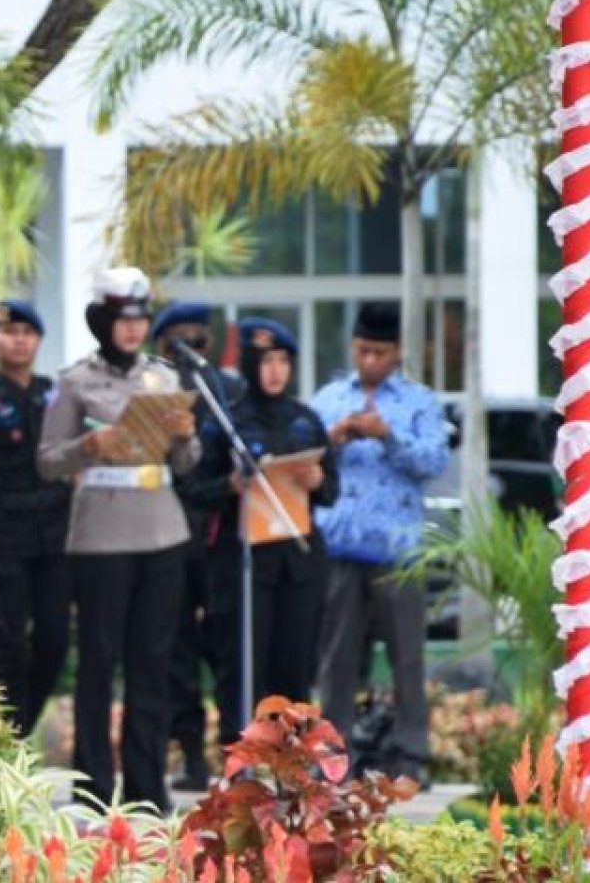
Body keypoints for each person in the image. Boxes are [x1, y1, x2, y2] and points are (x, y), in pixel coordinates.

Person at [38, 268, 199, 811]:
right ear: (104, 323)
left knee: (152, 662)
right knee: (99, 663)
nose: (133, 330)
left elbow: (187, 464)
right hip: (101, 535)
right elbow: (47, 461)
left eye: (139, 320)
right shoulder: (76, 382)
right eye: (122, 320)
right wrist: (89, 444)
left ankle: (148, 787)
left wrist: (186, 437)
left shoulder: (164, 378)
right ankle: (92, 787)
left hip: (162, 528)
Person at [182, 318, 338, 745]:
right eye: (266, 361)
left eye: (283, 361)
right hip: (244, 563)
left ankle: (294, 769)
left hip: (298, 560)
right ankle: (242, 764)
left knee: (295, 664)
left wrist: (316, 480)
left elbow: (331, 492)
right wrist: (229, 486)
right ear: (251, 365)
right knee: (242, 666)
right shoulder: (226, 423)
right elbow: (194, 489)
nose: (275, 371)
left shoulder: (306, 421)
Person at [311, 303, 447, 782]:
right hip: (340, 547)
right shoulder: (329, 398)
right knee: (337, 656)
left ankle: (410, 755)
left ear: (396, 353)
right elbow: (304, 458)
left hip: (398, 552)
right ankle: (333, 757)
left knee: (407, 655)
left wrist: (388, 435)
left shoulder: (419, 402)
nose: (370, 360)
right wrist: (336, 437)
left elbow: (433, 461)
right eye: (363, 350)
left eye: (380, 352)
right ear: (353, 346)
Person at [0, 299, 66, 736]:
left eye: (27, 332)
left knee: (54, 641)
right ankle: (5, 736)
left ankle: (20, 726)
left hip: (54, 534)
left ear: (39, 340)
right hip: (2, 533)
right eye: (9, 332)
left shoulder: (56, 394)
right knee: (4, 642)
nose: (19, 340)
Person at [149, 301, 235, 790]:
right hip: (168, 532)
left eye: (196, 343)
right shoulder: (149, 394)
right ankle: (191, 758)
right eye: (176, 344)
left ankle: (233, 751)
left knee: (226, 647)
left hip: (219, 537)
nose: (187, 354)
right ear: (160, 348)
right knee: (176, 650)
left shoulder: (227, 391)